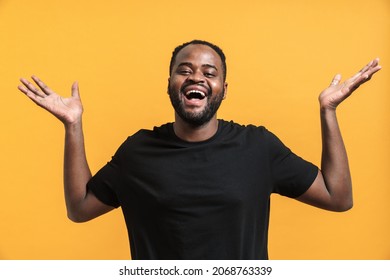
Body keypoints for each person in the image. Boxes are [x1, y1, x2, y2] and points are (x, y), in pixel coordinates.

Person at [18, 40, 381, 260]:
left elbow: (338, 196)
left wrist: (328, 111)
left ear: (223, 88)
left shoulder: (257, 147)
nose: (196, 78)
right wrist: (73, 125)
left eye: (210, 72)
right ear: (170, 84)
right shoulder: (138, 152)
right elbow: (80, 209)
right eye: (185, 70)